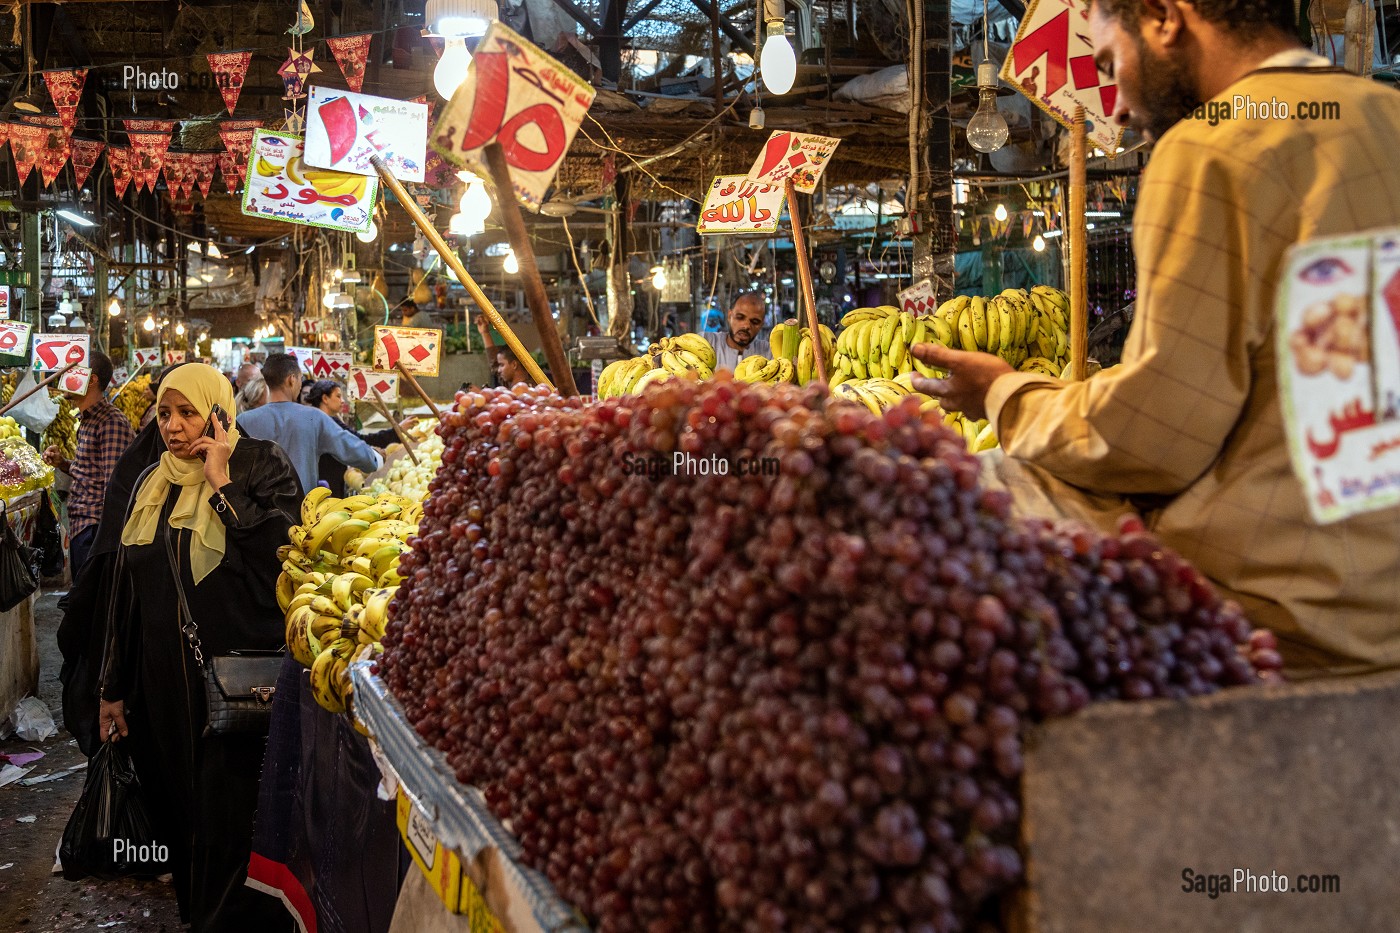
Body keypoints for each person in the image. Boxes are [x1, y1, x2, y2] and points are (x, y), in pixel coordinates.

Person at [913, 0, 1400, 679]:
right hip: (1386, 615)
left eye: (1111, 64)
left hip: (1281, 633)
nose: (1113, 108)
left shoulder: (1211, 147)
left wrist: (1005, 394)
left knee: (990, 490)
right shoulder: (1387, 118)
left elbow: (1153, 438)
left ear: (1165, 17)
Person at [97, 364, 299, 932]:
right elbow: (125, 591)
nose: (174, 427)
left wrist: (223, 486)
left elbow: (286, 558)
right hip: (162, 686)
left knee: (230, 824)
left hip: (232, 685)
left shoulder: (259, 464)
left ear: (217, 411)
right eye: (165, 413)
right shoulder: (149, 484)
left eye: (188, 412)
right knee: (182, 816)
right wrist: (111, 688)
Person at [42, 352, 134, 579]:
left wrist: (105, 546)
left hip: (95, 532)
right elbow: (93, 472)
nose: (63, 376)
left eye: (71, 371)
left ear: (91, 379)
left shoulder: (110, 422)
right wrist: (63, 463)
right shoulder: (88, 420)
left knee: (93, 607)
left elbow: (114, 489)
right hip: (83, 527)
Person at [236, 353, 381, 491]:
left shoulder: (243, 421)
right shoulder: (313, 418)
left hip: (255, 512)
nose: (300, 385)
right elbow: (349, 447)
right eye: (300, 379)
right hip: (301, 509)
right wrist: (375, 459)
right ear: (291, 379)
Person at [306, 379, 416, 496]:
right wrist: (395, 433)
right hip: (327, 483)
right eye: (338, 396)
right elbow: (360, 441)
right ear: (325, 399)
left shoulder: (314, 420)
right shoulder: (327, 423)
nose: (342, 401)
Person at [703, 292, 768, 372]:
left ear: (762, 324)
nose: (746, 326)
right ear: (730, 316)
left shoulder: (768, 352)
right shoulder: (707, 342)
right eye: (740, 317)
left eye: (755, 321)